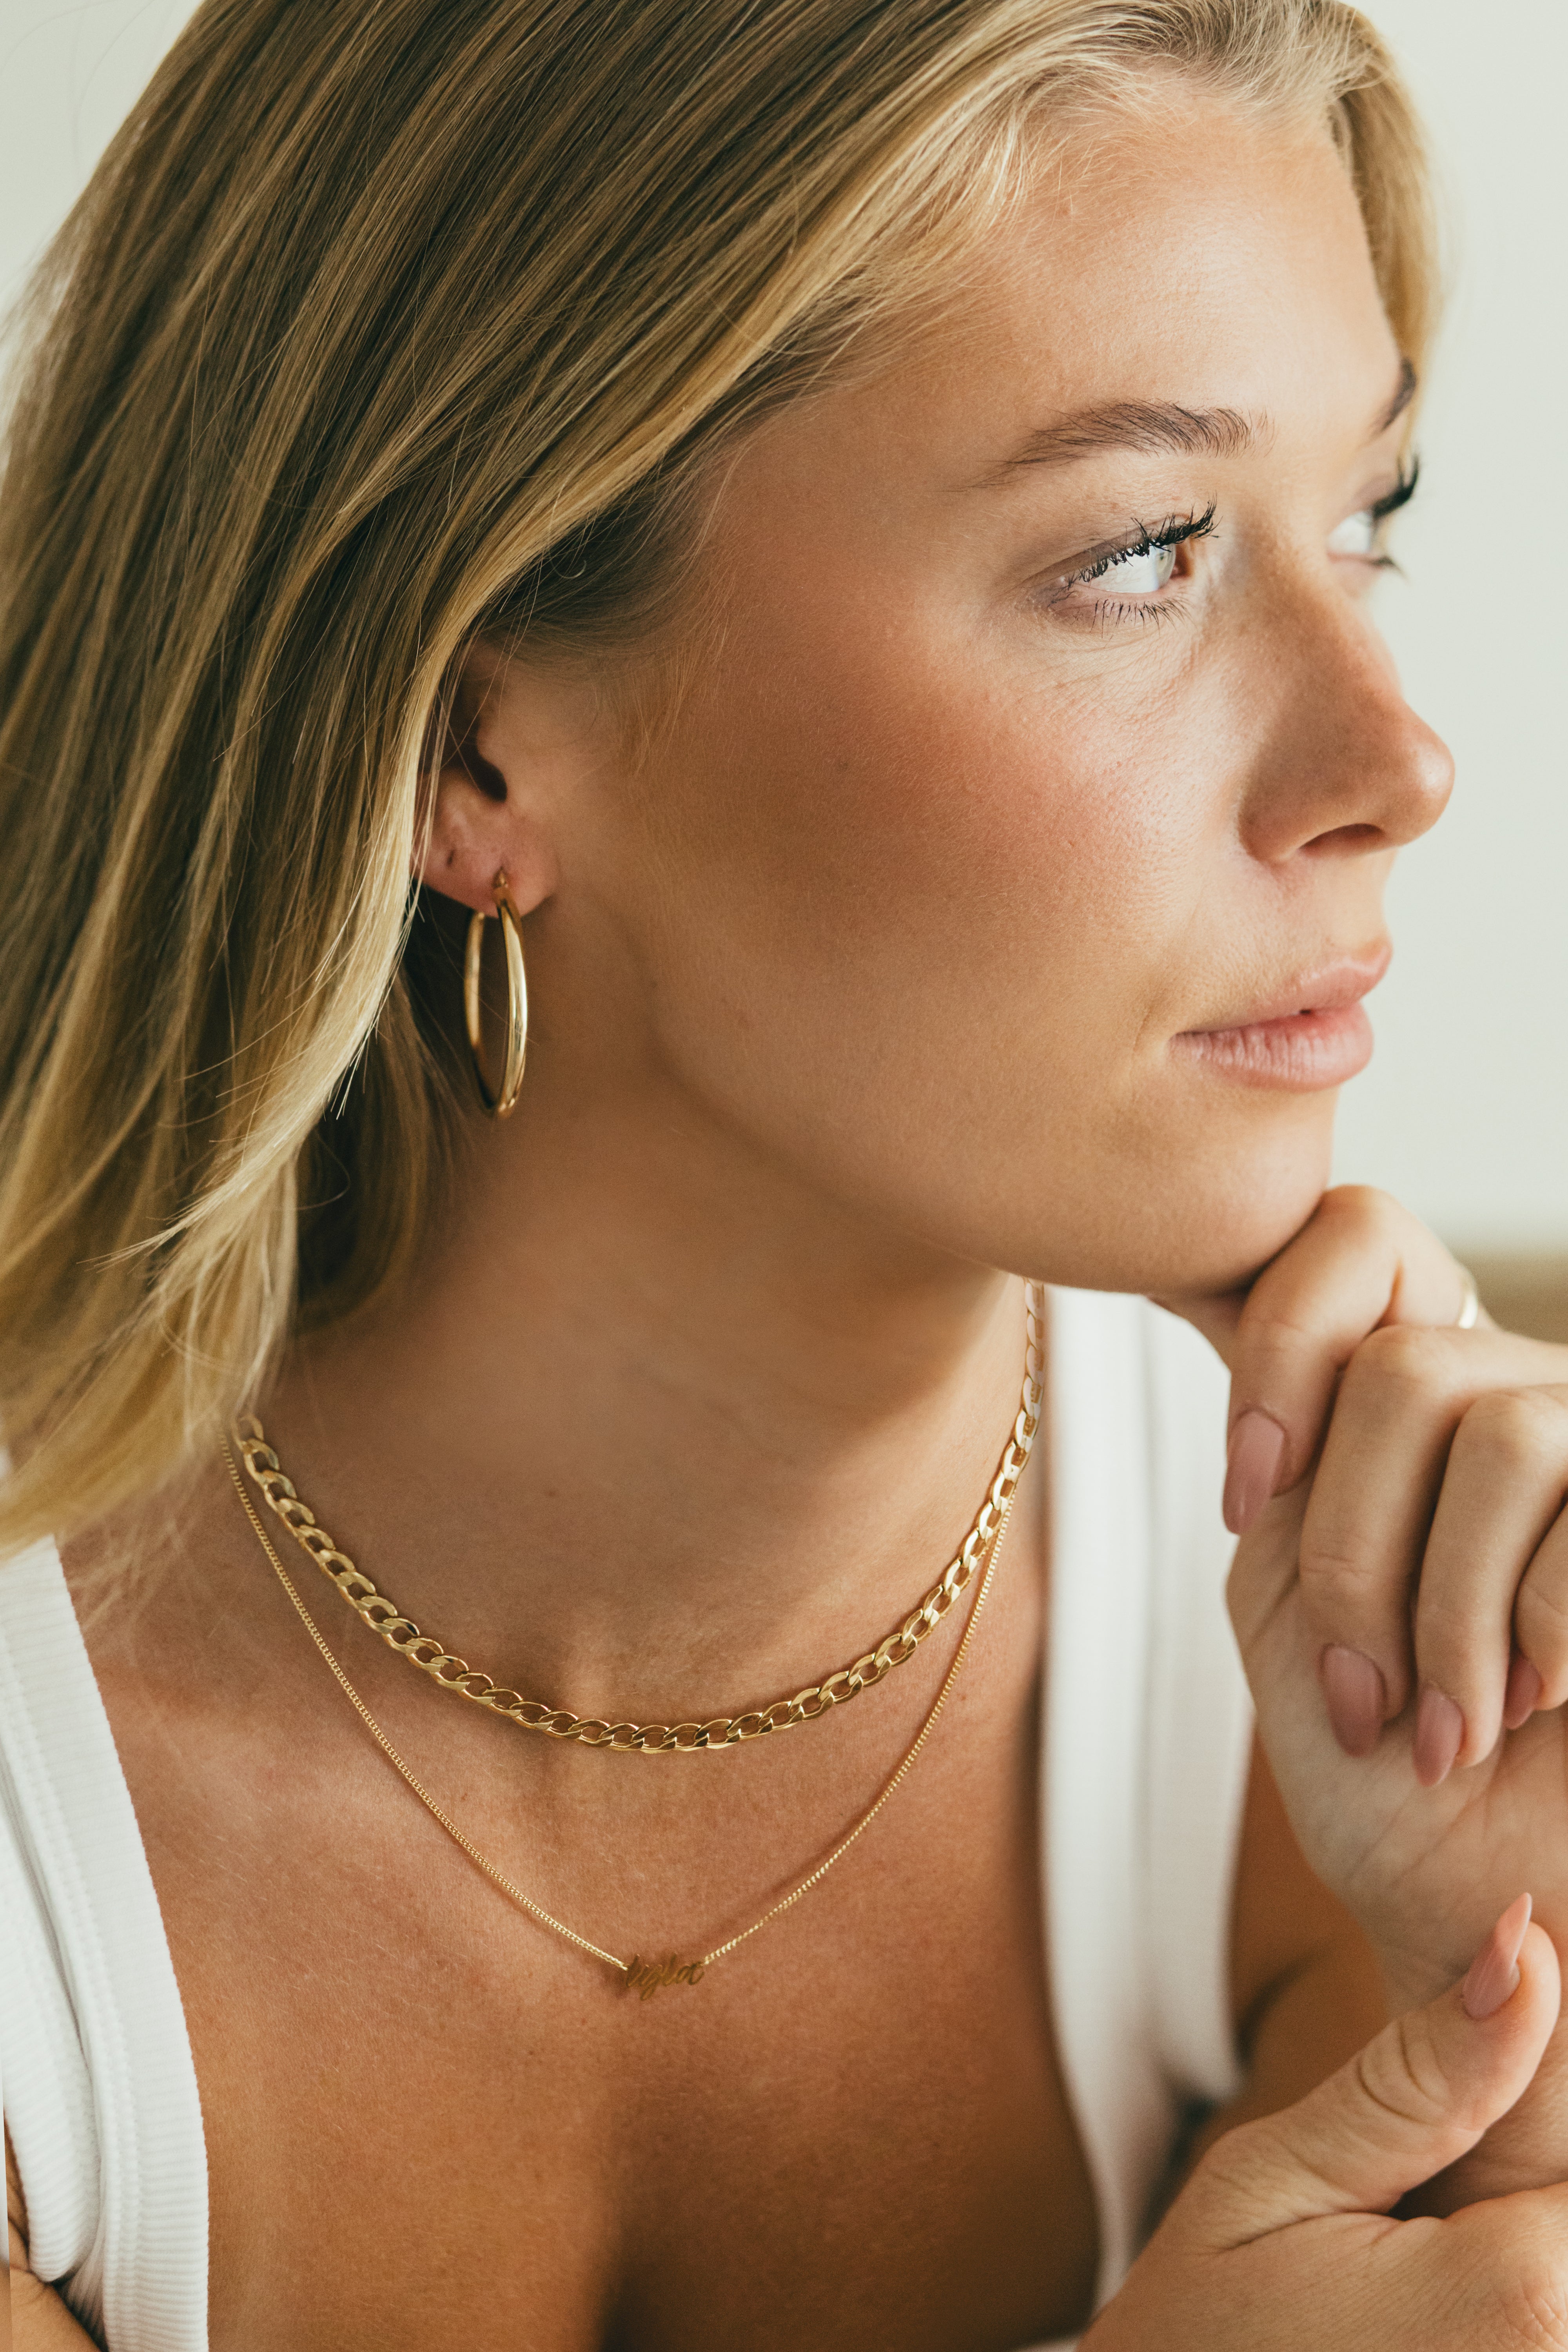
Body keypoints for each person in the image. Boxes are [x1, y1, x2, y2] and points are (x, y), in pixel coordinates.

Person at [5, 0, 1568, 2345]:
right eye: (1143, 551)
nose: (1399, 758)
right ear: (467, 741)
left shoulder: (1365, 1704)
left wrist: (1528, 2011)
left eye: (1372, 517)